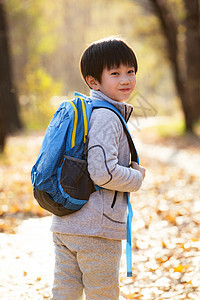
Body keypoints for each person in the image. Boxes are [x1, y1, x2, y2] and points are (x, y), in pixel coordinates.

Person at [51, 37, 146, 300]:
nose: (125, 79)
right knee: (102, 294)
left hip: (65, 223)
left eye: (130, 71)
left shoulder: (89, 110)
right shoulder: (106, 115)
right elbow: (103, 173)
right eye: (114, 73)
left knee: (64, 291)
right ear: (93, 82)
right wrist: (136, 177)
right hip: (96, 229)